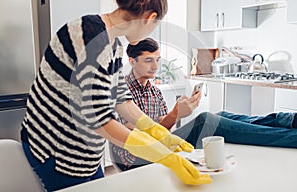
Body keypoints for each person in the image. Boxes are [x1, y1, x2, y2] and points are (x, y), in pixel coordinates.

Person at [20, 0, 212, 191]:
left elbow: (122, 99)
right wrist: (162, 155)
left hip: (86, 155)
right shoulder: (89, 35)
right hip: (56, 151)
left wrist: (159, 133)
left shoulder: (115, 46)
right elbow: (99, 119)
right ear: (150, 18)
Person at [110, 37, 297, 171]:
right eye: (148, 60)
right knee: (206, 120)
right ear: (132, 62)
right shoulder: (122, 92)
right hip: (134, 159)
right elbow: (136, 139)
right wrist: (176, 113)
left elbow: (163, 131)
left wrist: (176, 114)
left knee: (221, 115)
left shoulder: (155, 92)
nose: (155, 67)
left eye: (157, 60)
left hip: (159, 145)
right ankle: (291, 137)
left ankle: (287, 121)